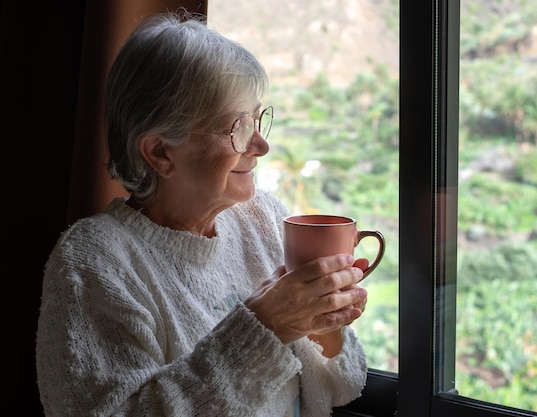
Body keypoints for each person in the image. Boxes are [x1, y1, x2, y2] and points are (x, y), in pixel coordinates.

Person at [35, 11, 369, 417]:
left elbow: (341, 387)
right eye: (238, 127)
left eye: (259, 117)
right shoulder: (92, 263)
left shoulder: (261, 217)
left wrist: (325, 322)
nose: (261, 146)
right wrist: (262, 329)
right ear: (160, 152)